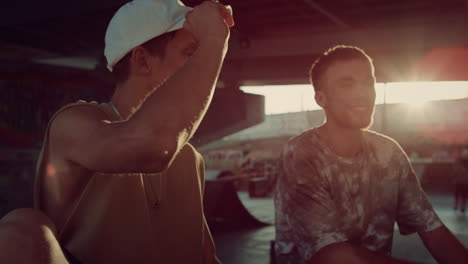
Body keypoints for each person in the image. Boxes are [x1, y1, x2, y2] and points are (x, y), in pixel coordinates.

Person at [33, 0, 234, 263]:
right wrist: (213, 40)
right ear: (142, 60)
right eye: (190, 52)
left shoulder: (189, 159)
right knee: (21, 228)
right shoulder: (73, 124)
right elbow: (151, 145)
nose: (204, 66)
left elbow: (205, 256)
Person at [274, 45, 468, 264]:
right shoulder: (300, 154)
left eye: (369, 82)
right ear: (321, 99)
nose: (363, 93)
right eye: (348, 84)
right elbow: (331, 256)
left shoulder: (388, 153)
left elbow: (432, 229)